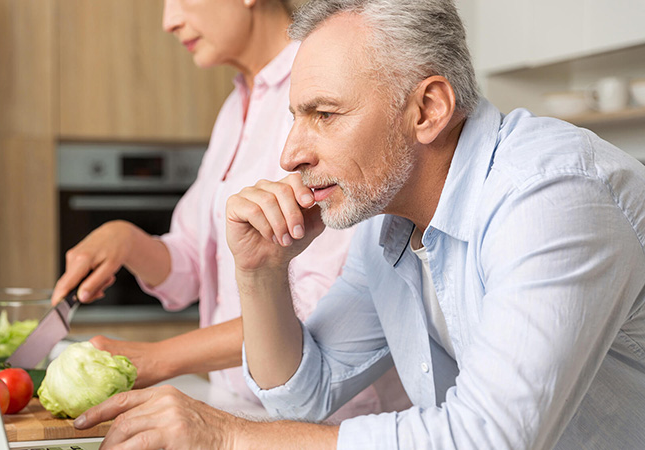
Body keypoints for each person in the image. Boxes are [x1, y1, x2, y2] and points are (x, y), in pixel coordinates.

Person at [70, 0, 645, 448]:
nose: (290, 154)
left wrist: (224, 435)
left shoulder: (552, 196)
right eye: (296, 117)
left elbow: (485, 439)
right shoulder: (386, 224)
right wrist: (260, 272)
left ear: (428, 110)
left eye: (324, 114)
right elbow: (304, 395)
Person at [51, 0, 409, 422]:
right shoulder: (236, 106)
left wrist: (158, 358)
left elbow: (322, 307)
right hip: (241, 406)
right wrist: (126, 239)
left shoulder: (328, 84)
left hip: (333, 422)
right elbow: (192, 267)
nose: (169, 21)